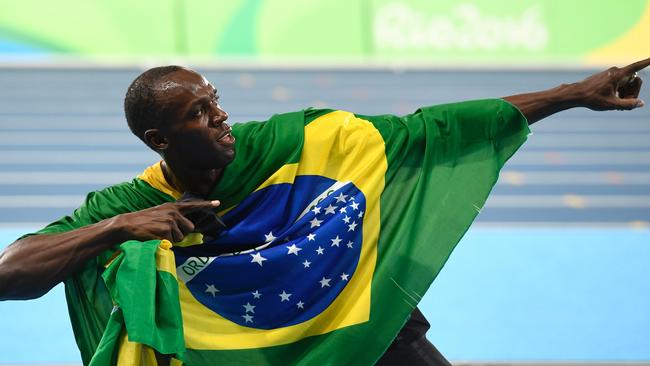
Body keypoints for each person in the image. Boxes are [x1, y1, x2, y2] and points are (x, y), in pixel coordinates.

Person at [0, 58, 647, 365]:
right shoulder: (132, 203)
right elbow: (12, 273)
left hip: (367, 338)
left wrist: (573, 93)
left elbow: (428, 130)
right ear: (159, 141)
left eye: (215, 100)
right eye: (198, 112)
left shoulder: (294, 143)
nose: (219, 115)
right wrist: (118, 229)